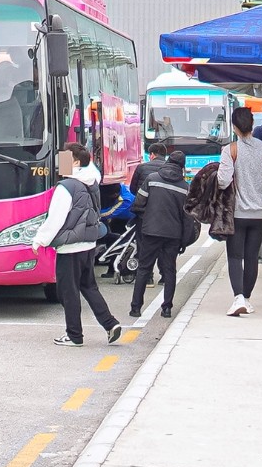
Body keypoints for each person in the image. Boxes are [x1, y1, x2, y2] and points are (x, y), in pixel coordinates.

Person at [32, 143, 123, 347]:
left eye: (64, 157)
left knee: (68, 292)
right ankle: (110, 324)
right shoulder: (91, 182)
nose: (59, 161)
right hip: (88, 244)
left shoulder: (66, 187)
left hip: (70, 247)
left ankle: (74, 335)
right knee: (89, 287)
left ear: (74, 161)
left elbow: (56, 218)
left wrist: (40, 240)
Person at [217, 107, 262, 316]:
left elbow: (223, 179)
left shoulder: (230, 150)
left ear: (234, 127)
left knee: (235, 256)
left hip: (238, 212)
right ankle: (248, 299)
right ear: (252, 125)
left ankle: (238, 298)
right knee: (251, 256)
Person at [129, 151, 198, 319]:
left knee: (144, 269)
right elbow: (188, 219)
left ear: (168, 161)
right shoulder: (184, 188)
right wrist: (184, 240)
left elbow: (138, 204)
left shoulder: (152, 179)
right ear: (182, 167)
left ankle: (136, 308)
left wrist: (148, 217)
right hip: (173, 235)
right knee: (169, 271)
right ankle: (166, 308)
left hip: (151, 231)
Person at [126, 142, 168, 283]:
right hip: (163, 214)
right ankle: (164, 276)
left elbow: (133, 189)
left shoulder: (141, 167)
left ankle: (147, 277)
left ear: (151, 155)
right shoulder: (171, 169)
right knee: (162, 245)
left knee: (144, 245)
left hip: (143, 213)